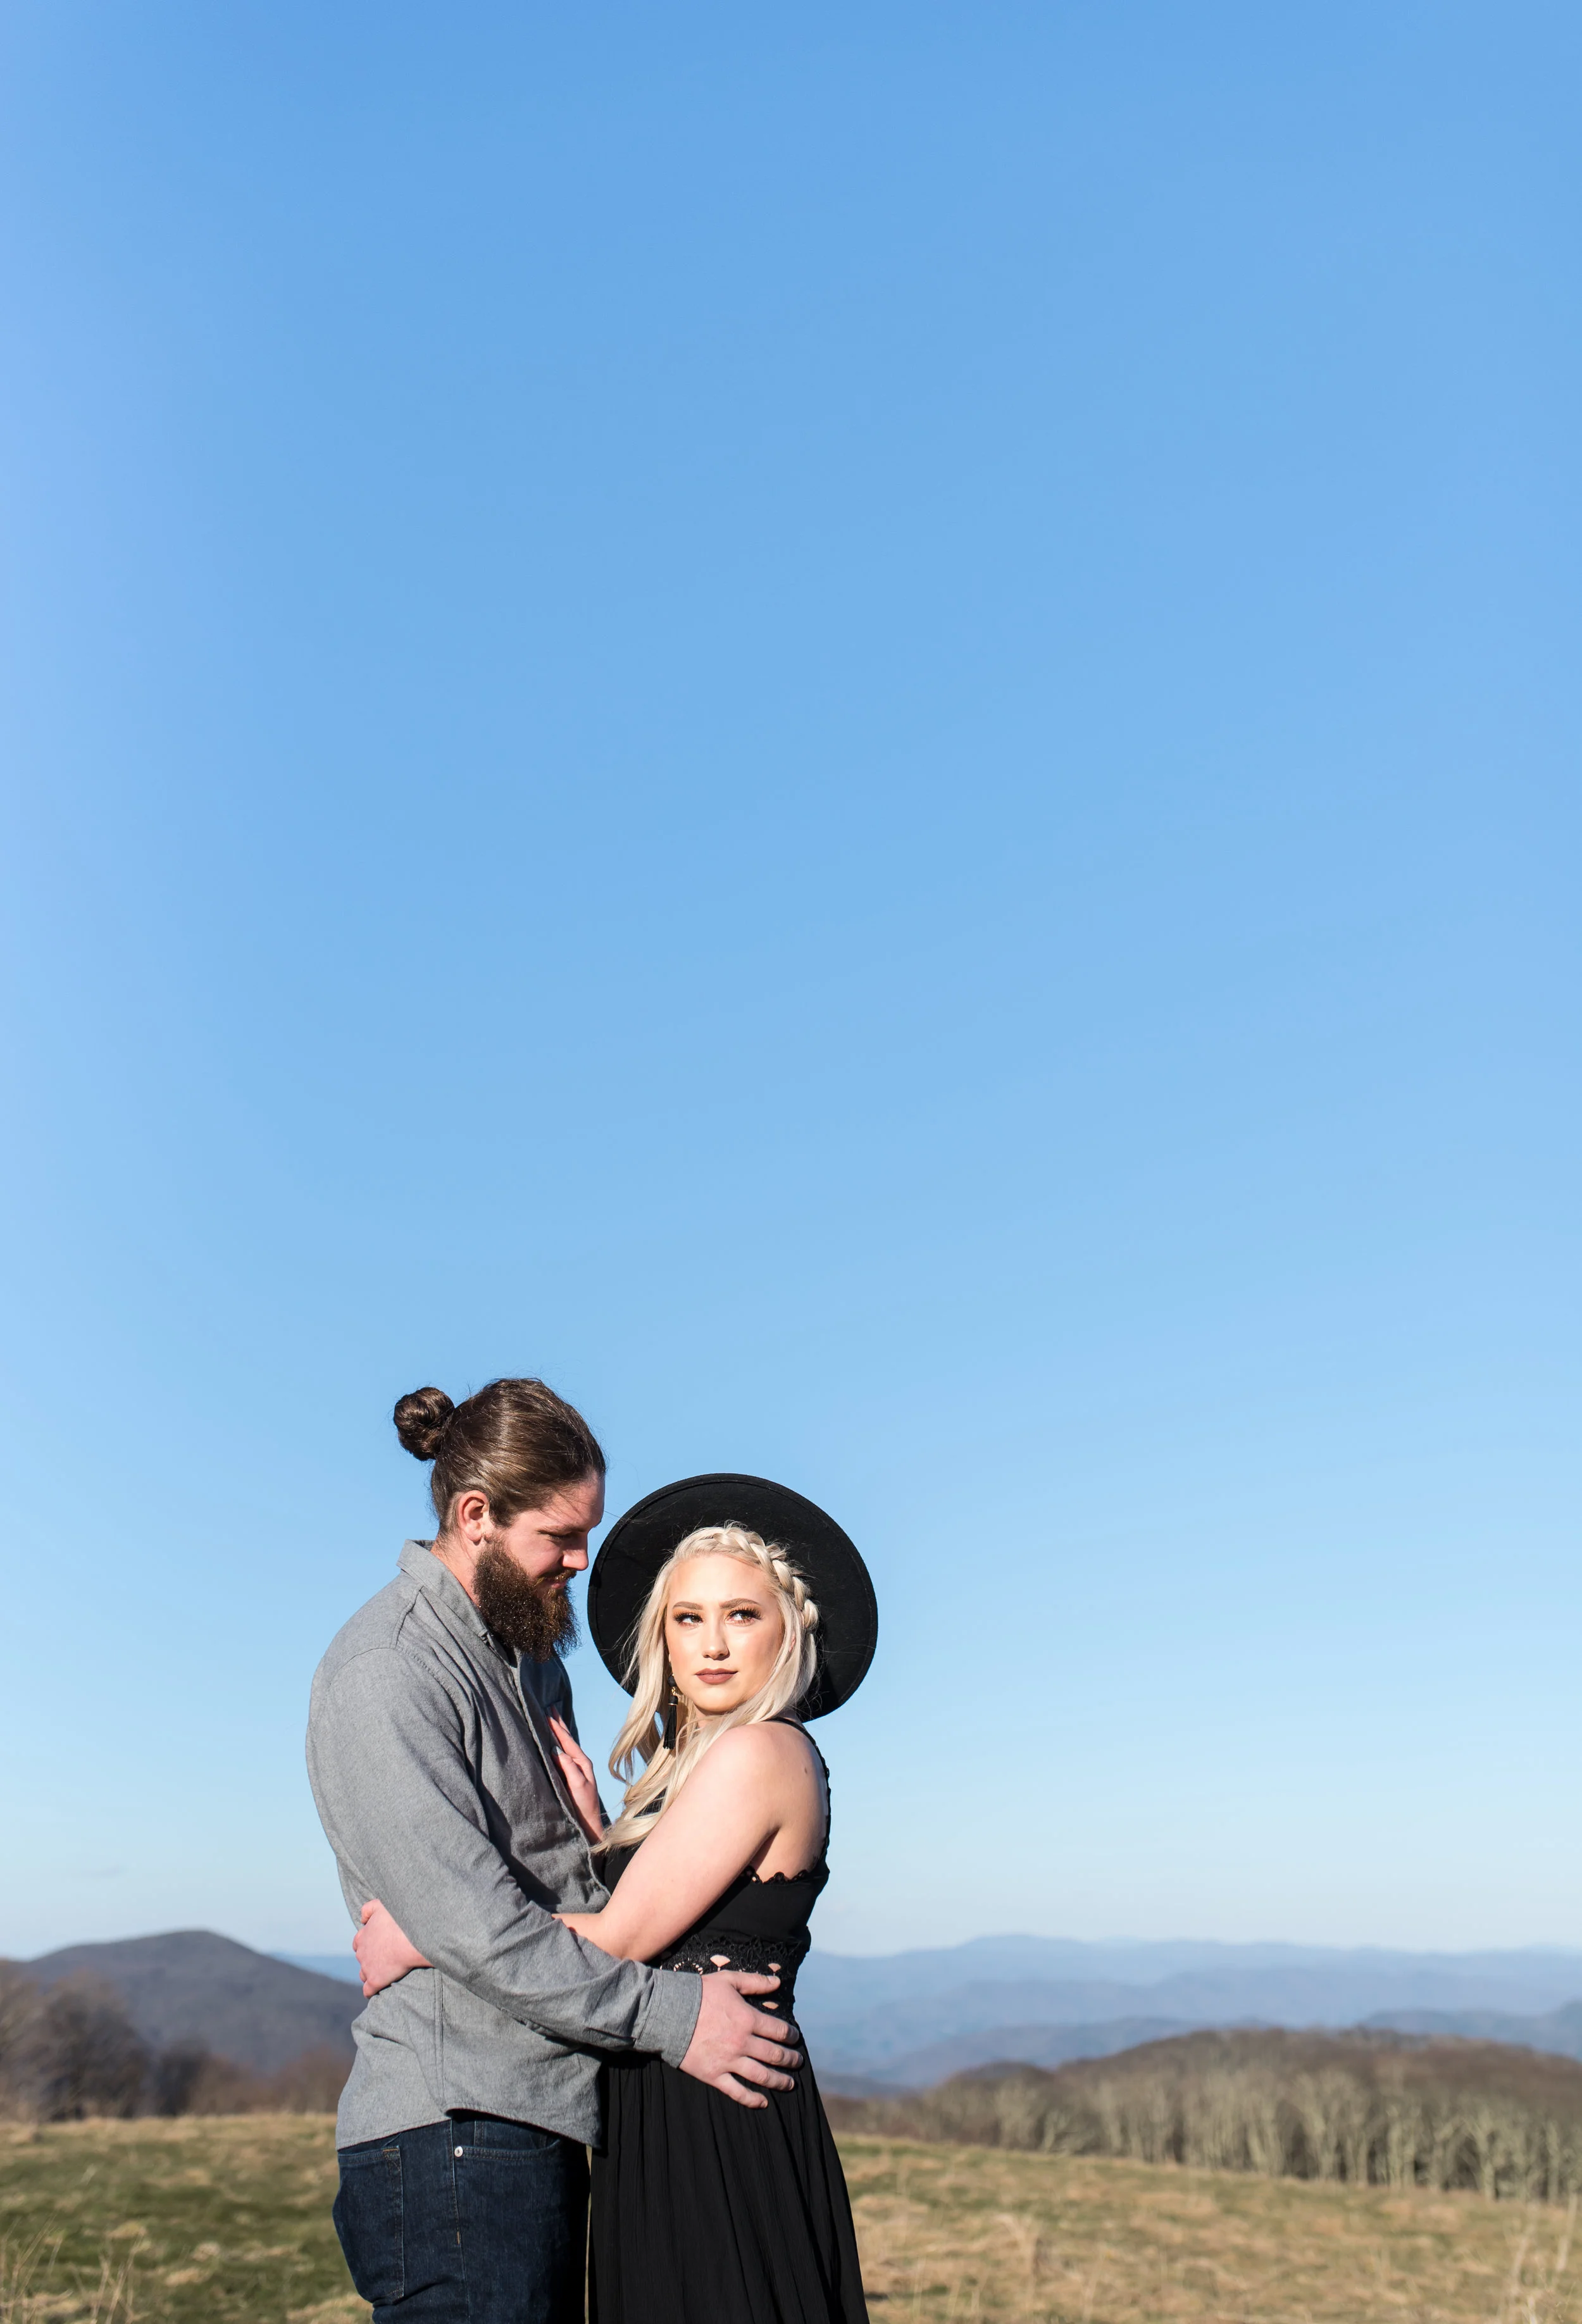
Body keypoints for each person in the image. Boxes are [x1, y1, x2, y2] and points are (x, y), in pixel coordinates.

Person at [306, 1386, 802, 2324]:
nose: (581, 1562)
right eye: (562, 1538)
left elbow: (550, 1888)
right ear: (476, 1518)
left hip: (541, 2122)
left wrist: (594, 1832)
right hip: (450, 2133)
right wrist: (675, 2017)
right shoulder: (389, 1671)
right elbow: (482, 1932)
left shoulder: (534, 1661)